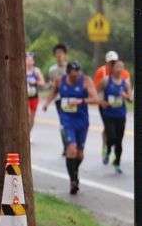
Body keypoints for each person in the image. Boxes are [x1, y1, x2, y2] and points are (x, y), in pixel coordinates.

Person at [42, 60, 102, 194]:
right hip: (67, 120)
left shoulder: (86, 81)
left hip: (82, 121)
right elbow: (53, 92)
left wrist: (82, 100)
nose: (76, 78)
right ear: (68, 74)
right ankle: (73, 180)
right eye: (74, 76)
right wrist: (46, 103)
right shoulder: (60, 80)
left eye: (78, 75)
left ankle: (74, 171)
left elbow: (95, 99)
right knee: (71, 148)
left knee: (79, 154)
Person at [93, 50, 131, 166]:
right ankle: (106, 147)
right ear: (108, 63)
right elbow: (96, 89)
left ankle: (115, 157)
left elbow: (128, 92)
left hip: (120, 110)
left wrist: (126, 95)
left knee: (118, 135)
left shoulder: (124, 74)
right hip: (106, 107)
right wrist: (100, 101)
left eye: (114, 62)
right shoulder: (101, 72)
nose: (113, 65)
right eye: (111, 62)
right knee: (109, 130)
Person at [47, 43, 69, 153]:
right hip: (59, 99)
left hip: (70, 98)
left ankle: (71, 142)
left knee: (70, 121)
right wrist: (52, 85)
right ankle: (66, 145)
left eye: (61, 53)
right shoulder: (52, 70)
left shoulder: (70, 67)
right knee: (63, 122)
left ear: (65, 54)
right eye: (57, 53)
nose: (59, 55)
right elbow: (50, 82)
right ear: (54, 55)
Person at [25, 52, 46, 131]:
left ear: (34, 61)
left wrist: (35, 82)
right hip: (24, 98)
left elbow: (43, 83)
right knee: (27, 114)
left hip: (34, 97)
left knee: (32, 118)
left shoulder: (36, 71)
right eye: (27, 59)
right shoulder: (21, 70)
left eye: (31, 60)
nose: (29, 62)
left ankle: (28, 134)